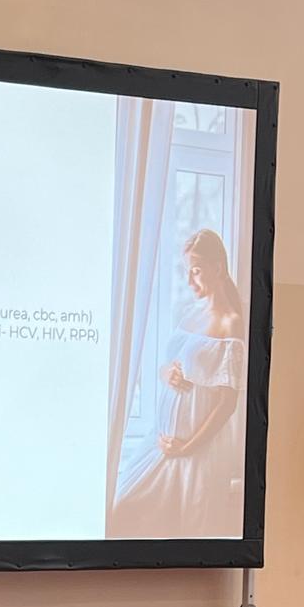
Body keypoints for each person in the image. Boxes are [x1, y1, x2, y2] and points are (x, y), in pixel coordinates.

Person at [111, 229, 247, 538]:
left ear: (218, 268)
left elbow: (227, 403)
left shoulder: (231, 323)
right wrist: (166, 373)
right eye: (187, 271)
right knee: (122, 507)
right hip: (161, 442)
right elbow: (170, 365)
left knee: (185, 530)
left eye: (196, 271)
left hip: (196, 453)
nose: (189, 281)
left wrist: (187, 447)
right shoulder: (190, 314)